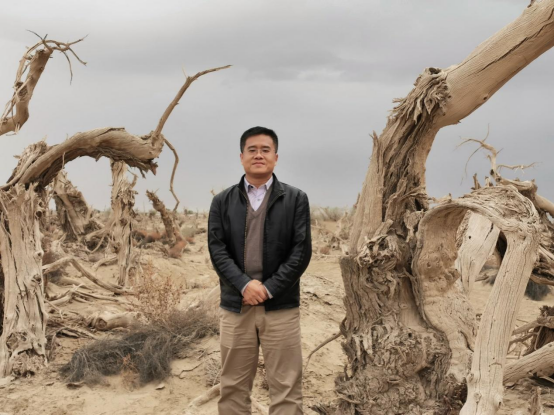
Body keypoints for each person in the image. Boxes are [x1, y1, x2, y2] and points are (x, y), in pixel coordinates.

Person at [208, 126, 312, 415]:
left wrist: (268, 289)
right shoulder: (222, 201)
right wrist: (244, 285)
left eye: (265, 150)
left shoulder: (296, 199)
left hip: (280, 306)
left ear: (275, 157)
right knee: (233, 386)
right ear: (241, 156)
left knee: (286, 388)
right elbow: (217, 251)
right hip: (236, 306)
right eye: (252, 150)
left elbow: (301, 252)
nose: (258, 155)